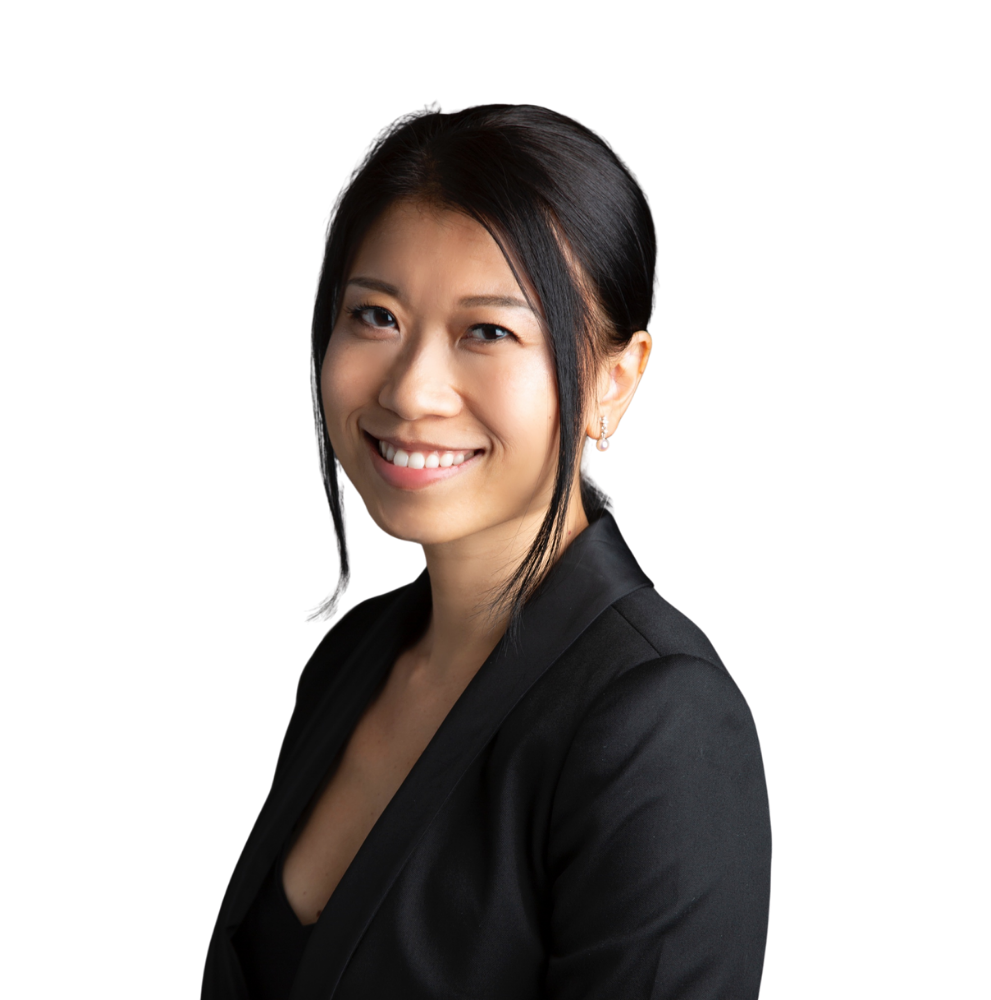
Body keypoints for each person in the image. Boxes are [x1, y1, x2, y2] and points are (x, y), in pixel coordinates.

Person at [201, 102, 772, 1000]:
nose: (411, 391)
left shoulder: (659, 722)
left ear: (615, 382)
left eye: (489, 331)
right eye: (376, 315)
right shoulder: (349, 659)